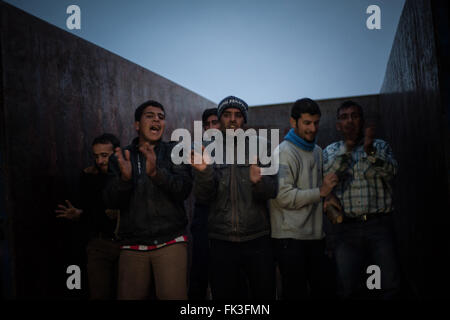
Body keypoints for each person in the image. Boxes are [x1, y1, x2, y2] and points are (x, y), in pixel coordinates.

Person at [103, 100, 193, 300]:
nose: (157, 120)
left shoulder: (175, 152)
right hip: (132, 245)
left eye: (161, 117)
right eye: (150, 116)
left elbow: (183, 190)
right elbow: (111, 200)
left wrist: (156, 174)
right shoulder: (121, 157)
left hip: (171, 242)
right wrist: (125, 181)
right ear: (137, 125)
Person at [191, 95, 277, 299]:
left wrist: (259, 182)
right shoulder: (206, 147)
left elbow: (272, 190)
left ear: (244, 120)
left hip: (257, 238)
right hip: (221, 240)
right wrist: (204, 173)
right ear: (220, 118)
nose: (232, 119)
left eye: (238, 115)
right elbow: (203, 197)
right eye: (227, 115)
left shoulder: (261, 145)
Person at [323, 100, 400, 299]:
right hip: (346, 230)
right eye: (344, 117)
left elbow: (391, 172)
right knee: (347, 288)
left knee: (385, 286)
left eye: (354, 116)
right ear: (338, 125)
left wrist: (370, 151)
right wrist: (347, 148)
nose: (350, 121)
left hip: (379, 227)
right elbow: (329, 178)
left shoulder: (380, 146)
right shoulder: (330, 151)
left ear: (362, 120)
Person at [269, 98, 338, 299]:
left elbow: (320, 189)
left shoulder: (317, 151)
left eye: (316, 122)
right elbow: (283, 196)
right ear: (293, 122)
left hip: (315, 237)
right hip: (289, 240)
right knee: (295, 294)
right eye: (307, 123)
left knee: (324, 291)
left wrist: (328, 196)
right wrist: (321, 193)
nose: (313, 128)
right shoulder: (283, 152)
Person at [55, 133, 121, 300]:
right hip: (99, 244)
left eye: (104, 155)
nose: (100, 161)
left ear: (117, 153)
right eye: (96, 156)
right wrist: (79, 215)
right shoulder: (89, 177)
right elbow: (89, 209)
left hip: (127, 245)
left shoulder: (128, 175)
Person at [188, 108, 220, 300]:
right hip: (204, 217)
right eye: (206, 124)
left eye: (214, 122)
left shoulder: (235, 150)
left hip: (227, 220)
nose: (210, 128)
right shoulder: (196, 148)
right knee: (199, 271)